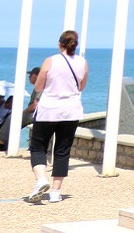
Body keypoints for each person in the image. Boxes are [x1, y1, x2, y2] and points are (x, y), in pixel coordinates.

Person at [27, 29, 87, 205]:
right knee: (62, 150)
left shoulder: (51, 61)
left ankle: (41, 180)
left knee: (38, 147)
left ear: (60, 44)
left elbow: (38, 87)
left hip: (48, 110)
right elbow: (81, 87)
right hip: (71, 111)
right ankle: (56, 192)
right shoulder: (82, 63)